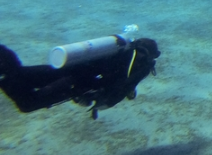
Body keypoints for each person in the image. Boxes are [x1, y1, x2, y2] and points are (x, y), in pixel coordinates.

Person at [0, 37, 160, 119]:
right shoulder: (143, 65)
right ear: (152, 55)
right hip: (75, 83)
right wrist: (94, 101)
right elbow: (116, 91)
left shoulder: (122, 50)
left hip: (70, 67)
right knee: (27, 103)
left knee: (19, 74)